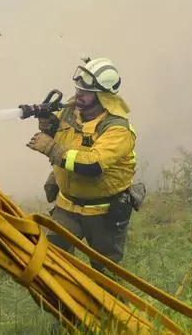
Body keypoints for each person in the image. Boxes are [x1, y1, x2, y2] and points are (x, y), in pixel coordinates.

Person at [24, 57, 141, 273]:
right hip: (66, 206)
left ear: (104, 97)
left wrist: (52, 149)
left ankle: (107, 295)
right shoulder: (70, 112)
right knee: (52, 264)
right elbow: (66, 140)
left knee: (105, 273)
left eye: (86, 92)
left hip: (103, 212)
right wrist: (50, 126)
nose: (79, 94)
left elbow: (92, 165)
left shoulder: (117, 129)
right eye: (78, 89)